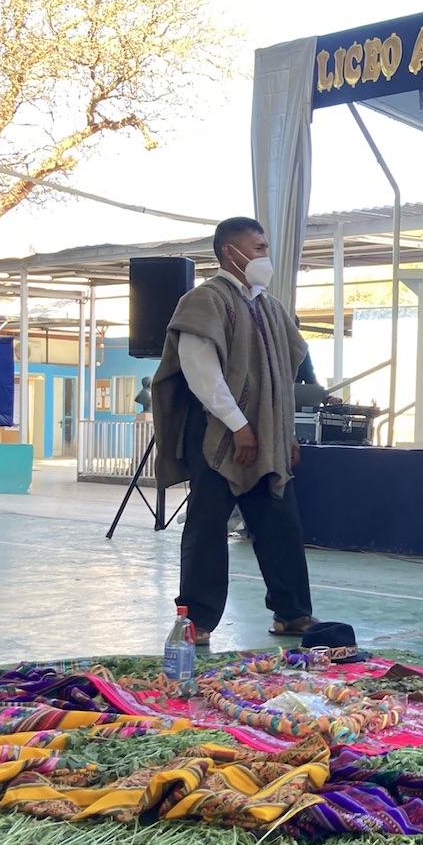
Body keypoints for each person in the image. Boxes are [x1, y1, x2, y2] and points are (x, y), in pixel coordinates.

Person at [151, 216, 319, 648]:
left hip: (265, 439)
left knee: (279, 522)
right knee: (207, 527)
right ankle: (198, 619)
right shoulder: (204, 300)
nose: (266, 256)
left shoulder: (269, 306)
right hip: (217, 435)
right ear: (232, 251)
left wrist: (286, 435)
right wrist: (239, 427)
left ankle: (292, 612)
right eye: (259, 247)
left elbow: (281, 375)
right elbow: (201, 374)